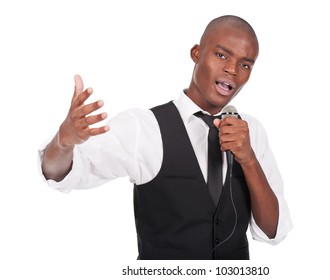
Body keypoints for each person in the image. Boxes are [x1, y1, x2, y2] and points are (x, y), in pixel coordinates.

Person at [39, 15, 292, 260]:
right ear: (196, 53)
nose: (232, 70)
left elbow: (273, 231)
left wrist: (248, 159)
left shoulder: (251, 131)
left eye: (245, 65)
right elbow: (59, 174)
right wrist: (63, 141)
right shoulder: (143, 127)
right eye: (222, 55)